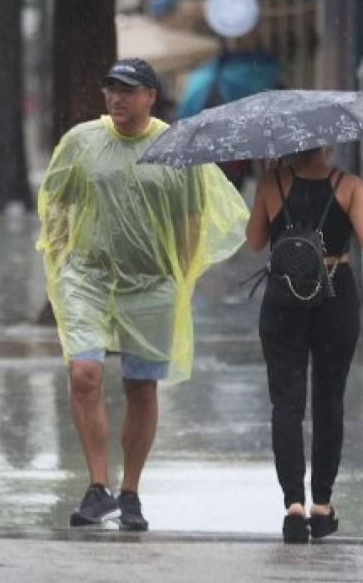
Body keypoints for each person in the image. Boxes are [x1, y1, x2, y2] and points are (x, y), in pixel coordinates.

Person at [37, 58, 247, 530]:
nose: (116, 98)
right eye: (111, 88)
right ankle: (97, 487)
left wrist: (180, 276)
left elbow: (192, 218)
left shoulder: (177, 149)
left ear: (150, 96)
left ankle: (130, 491)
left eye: (128, 90)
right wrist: (57, 249)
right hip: (87, 277)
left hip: (151, 283)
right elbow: (57, 197)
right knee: (85, 373)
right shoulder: (82, 142)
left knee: (141, 386)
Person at [247, 146, 363, 543]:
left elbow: (256, 241)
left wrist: (272, 189)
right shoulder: (349, 186)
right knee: (329, 402)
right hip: (334, 298)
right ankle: (321, 506)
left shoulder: (271, 184)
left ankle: (293, 505)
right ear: (327, 146)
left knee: (286, 403)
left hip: (282, 299)